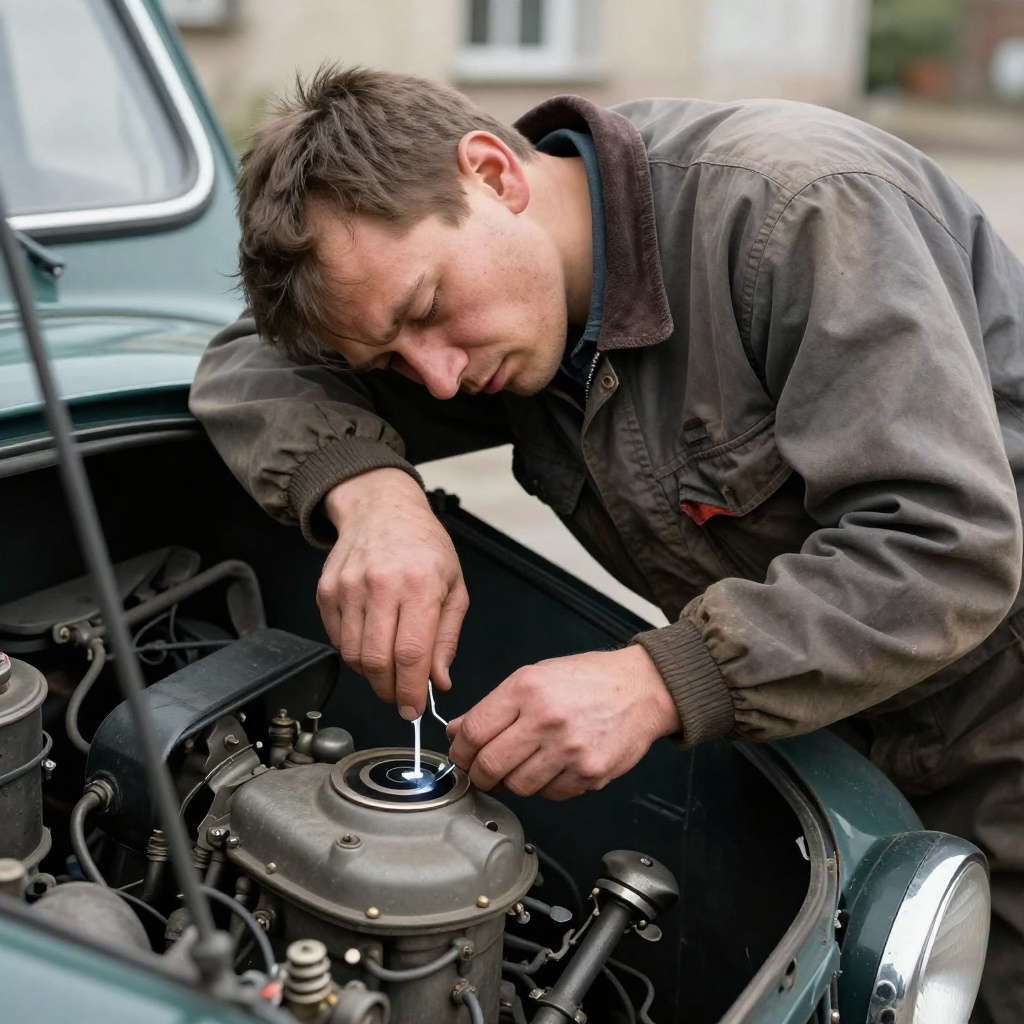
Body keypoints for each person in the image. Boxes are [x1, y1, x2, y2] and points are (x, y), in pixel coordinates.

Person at [189, 66, 1024, 1022]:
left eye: (425, 308)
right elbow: (241, 364)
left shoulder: (802, 214)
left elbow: (948, 543)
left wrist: (658, 680)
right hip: (827, 715)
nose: (440, 378)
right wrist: (372, 492)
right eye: (389, 361)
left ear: (494, 173)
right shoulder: (509, 306)